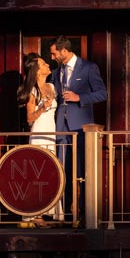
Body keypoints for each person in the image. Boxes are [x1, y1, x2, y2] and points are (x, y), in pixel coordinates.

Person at [49, 36, 107, 220]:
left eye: (54, 53)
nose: (52, 57)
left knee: (83, 169)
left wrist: (79, 98)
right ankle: (64, 213)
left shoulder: (89, 68)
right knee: (62, 169)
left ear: (64, 51)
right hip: (60, 128)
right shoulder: (56, 72)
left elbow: (102, 94)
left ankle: (84, 213)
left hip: (81, 128)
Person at [17, 52, 62, 222]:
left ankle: (51, 212)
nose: (48, 65)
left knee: (51, 172)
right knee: (37, 174)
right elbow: (29, 118)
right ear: (37, 71)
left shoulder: (51, 87)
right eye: (44, 64)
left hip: (51, 134)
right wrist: (43, 107)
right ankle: (35, 214)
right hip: (39, 134)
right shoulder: (32, 92)